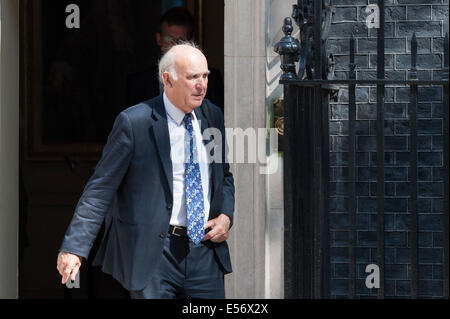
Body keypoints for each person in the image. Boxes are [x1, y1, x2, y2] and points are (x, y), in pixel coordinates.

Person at [57, 43, 235, 299]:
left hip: (204, 253)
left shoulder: (212, 115)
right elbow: (100, 189)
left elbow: (224, 176)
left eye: (205, 76)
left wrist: (226, 215)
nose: (202, 84)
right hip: (155, 254)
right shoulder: (134, 122)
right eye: (193, 76)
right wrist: (74, 248)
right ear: (167, 80)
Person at [126, 7, 224, 111]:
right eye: (169, 39)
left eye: (181, 40)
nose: (174, 45)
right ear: (159, 39)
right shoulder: (138, 82)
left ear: (191, 41)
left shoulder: (211, 79)